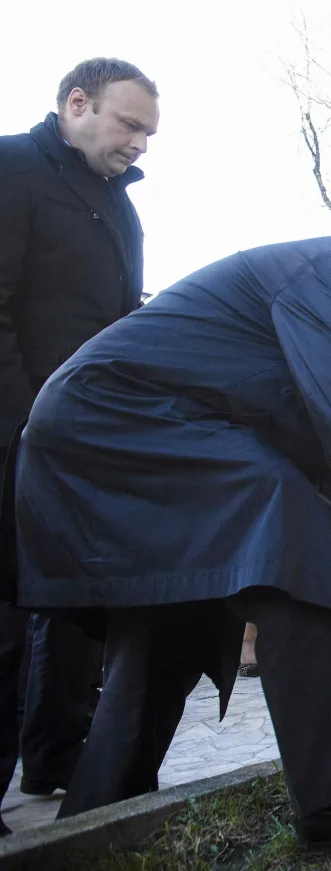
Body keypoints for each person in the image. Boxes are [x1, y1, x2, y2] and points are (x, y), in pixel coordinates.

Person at [2, 199, 331, 844]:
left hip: (118, 422)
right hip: (121, 421)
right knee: (304, 548)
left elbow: (319, 443)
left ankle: (101, 816)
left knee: (178, 608)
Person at [0, 58, 160, 825]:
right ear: (76, 104)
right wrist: (26, 424)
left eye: (149, 133)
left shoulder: (120, 207)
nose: (141, 145)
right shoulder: (11, 169)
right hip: (15, 438)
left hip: (82, 448)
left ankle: (55, 756)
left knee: (72, 607)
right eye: (130, 125)